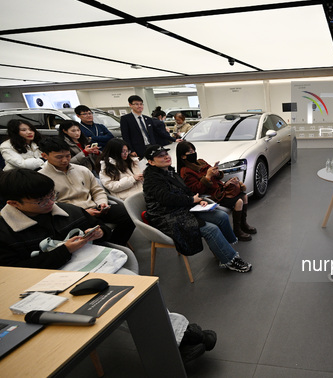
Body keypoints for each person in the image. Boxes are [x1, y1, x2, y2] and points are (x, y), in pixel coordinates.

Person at [0, 168, 216, 365]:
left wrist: (100, 232)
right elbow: (16, 273)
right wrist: (64, 251)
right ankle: (186, 336)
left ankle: (184, 338)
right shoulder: (5, 232)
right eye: (40, 200)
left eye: (52, 195)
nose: (49, 202)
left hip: (94, 268)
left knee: (138, 294)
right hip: (50, 288)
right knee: (125, 301)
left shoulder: (66, 210)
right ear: (14, 203)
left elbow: (104, 232)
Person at [142, 144, 252, 273]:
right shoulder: (152, 179)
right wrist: (191, 200)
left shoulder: (170, 172)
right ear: (151, 162)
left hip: (182, 208)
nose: (166, 157)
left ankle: (224, 250)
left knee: (221, 216)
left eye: (166, 154)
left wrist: (197, 201)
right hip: (166, 217)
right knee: (211, 229)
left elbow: (185, 190)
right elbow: (167, 199)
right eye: (160, 156)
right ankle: (230, 259)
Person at [38, 137, 135, 246]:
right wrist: (82, 213)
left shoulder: (82, 170)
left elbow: (97, 190)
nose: (65, 160)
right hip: (70, 215)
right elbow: (51, 205)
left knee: (129, 215)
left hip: (94, 207)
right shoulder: (41, 178)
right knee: (94, 227)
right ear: (44, 156)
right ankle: (104, 245)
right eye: (59, 157)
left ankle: (116, 244)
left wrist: (102, 203)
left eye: (68, 156)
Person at [176, 141, 256, 241]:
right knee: (239, 201)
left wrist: (217, 173)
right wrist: (208, 176)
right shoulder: (185, 171)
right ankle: (237, 230)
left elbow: (218, 176)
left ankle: (243, 224)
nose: (194, 153)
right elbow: (196, 190)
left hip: (220, 189)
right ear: (183, 156)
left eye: (194, 150)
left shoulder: (201, 162)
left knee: (244, 196)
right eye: (190, 152)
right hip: (211, 195)